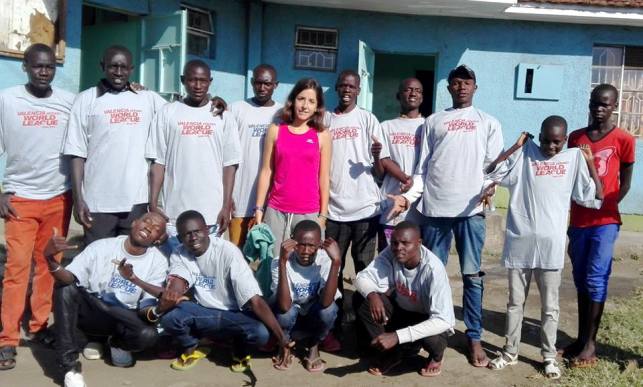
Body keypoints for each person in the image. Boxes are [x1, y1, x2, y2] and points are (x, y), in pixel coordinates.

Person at [388, 65, 504, 367]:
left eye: (467, 82)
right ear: (449, 88)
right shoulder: (434, 122)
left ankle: (474, 336)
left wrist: (491, 185)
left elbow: (496, 167)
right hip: (436, 211)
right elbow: (422, 170)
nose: (461, 87)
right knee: (431, 277)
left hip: (471, 213)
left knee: (472, 277)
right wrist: (407, 198)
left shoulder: (487, 122)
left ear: (475, 88)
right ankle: (431, 339)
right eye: (456, 83)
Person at [481, 118, 603, 379]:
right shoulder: (525, 156)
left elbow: (594, 196)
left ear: (566, 139)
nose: (550, 146)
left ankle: (548, 357)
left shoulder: (572, 160)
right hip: (519, 243)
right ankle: (510, 351)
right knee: (515, 303)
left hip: (551, 247)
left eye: (557, 141)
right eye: (546, 140)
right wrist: (516, 146)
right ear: (539, 135)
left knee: (550, 306)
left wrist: (590, 163)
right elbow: (491, 172)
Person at [0, 43, 74, 371]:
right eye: (37, 66)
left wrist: (135, 88)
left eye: (49, 67)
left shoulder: (67, 102)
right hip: (21, 200)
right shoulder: (7, 100)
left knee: (47, 268)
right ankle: (7, 339)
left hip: (58, 198)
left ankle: (39, 326)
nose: (44, 72)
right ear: (26, 67)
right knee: (16, 271)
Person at [44, 212, 169, 387]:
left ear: (159, 239)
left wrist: (159, 309)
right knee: (64, 288)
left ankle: (117, 344)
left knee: (147, 335)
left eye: (156, 229)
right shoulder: (101, 246)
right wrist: (50, 260)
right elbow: (69, 279)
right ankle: (69, 368)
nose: (149, 227)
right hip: (92, 311)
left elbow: (145, 308)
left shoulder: (158, 261)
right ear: (134, 223)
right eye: (146, 221)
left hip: (122, 318)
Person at [157, 210, 290, 372]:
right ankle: (192, 345)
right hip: (203, 311)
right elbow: (178, 282)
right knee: (170, 317)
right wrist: (172, 294)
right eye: (186, 234)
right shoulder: (179, 252)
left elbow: (254, 300)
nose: (193, 238)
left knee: (261, 334)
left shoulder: (228, 251)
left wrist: (282, 338)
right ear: (180, 238)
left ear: (206, 229)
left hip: (234, 313)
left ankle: (238, 347)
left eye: (197, 232)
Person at [563, 84, 636, 368]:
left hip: (604, 222)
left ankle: (591, 345)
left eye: (605, 104)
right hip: (579, 220)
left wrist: (609, 204)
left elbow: (626, 179)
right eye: (595, 103)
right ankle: (581, 339)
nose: (599, 108)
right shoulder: (576, 137)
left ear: (614, 105)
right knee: (581, 279)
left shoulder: (624, 139)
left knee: (596, 278)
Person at [63, 45, 166, 245]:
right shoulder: (86, 100)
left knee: (131, 260)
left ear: (131, 69)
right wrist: (79, 199)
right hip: (98, 202)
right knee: (98, 262)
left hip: (136, 200)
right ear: (103, 66)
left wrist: (211, 101)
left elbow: (179, 114)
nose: (119, 72)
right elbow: (76, 153)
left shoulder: (147, 98)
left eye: (124, 67)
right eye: (113, 66)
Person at [147, 60, 241, 245]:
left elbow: (230, 165)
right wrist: (152, 202)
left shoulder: (223, 116)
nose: (198, 86)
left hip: (211, 213)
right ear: (183, 80)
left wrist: (225, 206)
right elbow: (158, 163)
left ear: (210, 82)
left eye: (203, 80)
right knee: (176, 268)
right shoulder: (167, 113)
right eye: (192, 80)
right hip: (174, 213)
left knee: (208, 268)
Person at [354, 221, 455, 377]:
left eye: (405, 243)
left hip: (427, 319)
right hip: (402, 312)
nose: (398, 248)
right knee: (364, 299)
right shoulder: (391, 252)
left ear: (419, 243)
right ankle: (393, 353)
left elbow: (443, 320)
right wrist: (372, 295)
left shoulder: (433, 269)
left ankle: (436, 355)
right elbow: (362, 278)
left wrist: (397, 336)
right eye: (395, 243)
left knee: (430, 336)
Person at [254, 78, 331, 255]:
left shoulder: (322, 135)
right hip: (276, 211)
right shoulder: (275, 129)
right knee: (273, 265)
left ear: (317, 106)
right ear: (293, 100)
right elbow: (267, 171)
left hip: (309, 213)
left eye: (311, 101)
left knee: (306, 268)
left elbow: (324, 177)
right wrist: (259, 208)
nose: (305, 106)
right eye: (301, 99)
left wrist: (322, 216)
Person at [270, 220, 341, 372]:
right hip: (290, 318)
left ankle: (314, 345)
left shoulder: (326, 260)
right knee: (286, 313)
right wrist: (283, 262)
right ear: (292, 242)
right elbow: (284, 305)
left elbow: (326, 302)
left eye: (312, 246)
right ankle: (285, 344)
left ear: (320, 244)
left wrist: (336, 262)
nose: (306, 251)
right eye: (301, 244)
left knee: (330, 310)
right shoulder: (279, 261)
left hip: (313, 316)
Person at [229, 64, 282, 247]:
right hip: (240, 198)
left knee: (267, 257)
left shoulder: (283, 114)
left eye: (267, 84)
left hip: (272, 202)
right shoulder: (236, 110)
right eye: (258, 83)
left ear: (276, 85)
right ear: (252, 83)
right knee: (237, 253)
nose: (262, 88)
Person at [375, 78, 425, 250]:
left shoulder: (428, 126)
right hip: (391, 203)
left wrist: (413, 183)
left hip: (419, 206)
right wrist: (405, 179)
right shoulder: (386, 127)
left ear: (422, 97)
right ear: (398, 95)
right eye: (408, 89)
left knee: (413, 260)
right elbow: (383, 161)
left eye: (417, 90)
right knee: (388, 257)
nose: (413, 93)